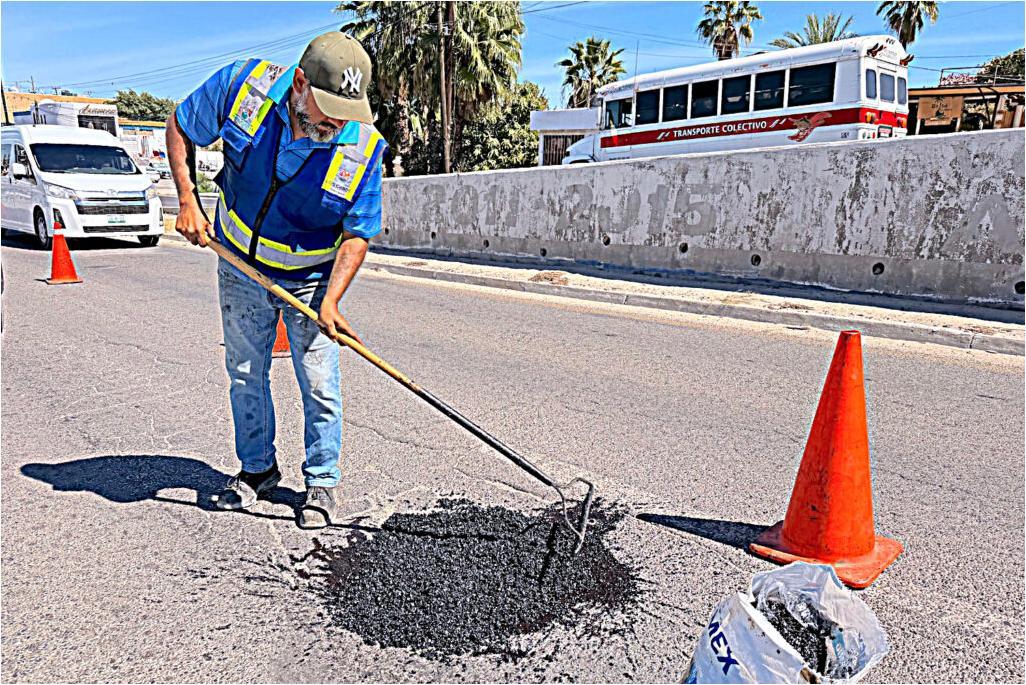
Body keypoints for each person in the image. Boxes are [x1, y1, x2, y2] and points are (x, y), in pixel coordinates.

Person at [166, 32, 386, 528]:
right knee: (245, 372)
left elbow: (358, 232)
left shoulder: (364, 149)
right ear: (300, 83)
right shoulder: (243, 88)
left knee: (319, 382)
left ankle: (322, 483)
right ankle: (257, 471)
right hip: (239, 265)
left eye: (346, 114)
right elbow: (179, 124)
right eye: (327, 111)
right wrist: (187, 201)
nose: (336, 125)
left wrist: (331, 301)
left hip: (310, 276)